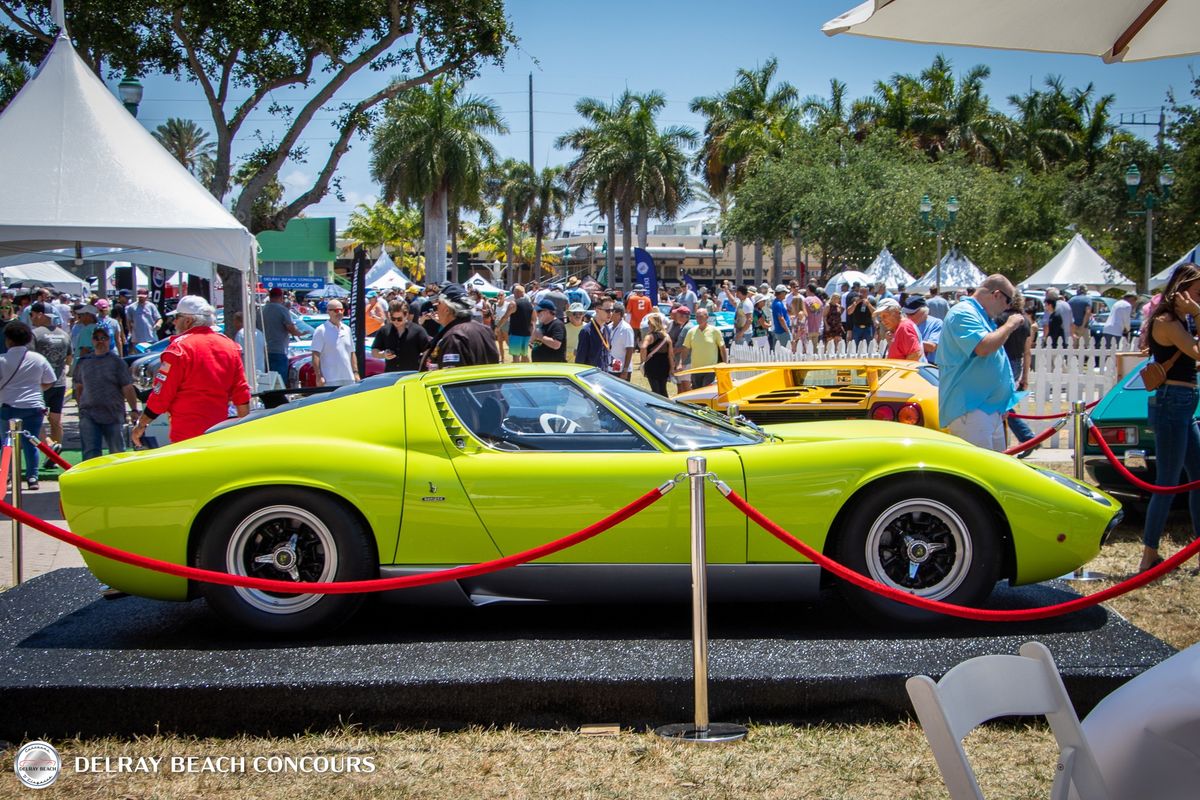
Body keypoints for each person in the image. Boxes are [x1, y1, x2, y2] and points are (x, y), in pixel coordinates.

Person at [1138, 265, 1200, 573]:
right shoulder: (1167, 321)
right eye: (1198, 292)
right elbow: (1198, 351)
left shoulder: (1180, 320)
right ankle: (1149, 555)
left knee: (1198, 477)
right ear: (1182, 290)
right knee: (1167, 482)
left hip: (1182, 404)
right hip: (1173, 404)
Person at [132, 296, 250, 446]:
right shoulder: (230, 346)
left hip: (187, 437)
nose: (174, 322)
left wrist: (141, 425)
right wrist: (244, 430)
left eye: (177, 317)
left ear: (188, 321)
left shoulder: (179, 349)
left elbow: (161, 395)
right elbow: (241, 393)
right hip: (220, 434)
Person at [937, 275, 1024, 451]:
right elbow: (983, 347)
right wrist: (1009, 326)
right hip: (970, 409)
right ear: (997, 295)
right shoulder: (963, 313)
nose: (1007, 308)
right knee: (978, 473)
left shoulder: (981, 316)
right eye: (1008, 301)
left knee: (996, 470)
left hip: (986, 409)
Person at [0, 322, 56, 489]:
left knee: (6, 443)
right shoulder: (38, 359)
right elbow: (50, 381)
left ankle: (7, 477)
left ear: (8, 340)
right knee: (31, 443)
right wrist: (36, 388)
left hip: (6, 406)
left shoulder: (2, 360)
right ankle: (32, 477)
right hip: (33, 406)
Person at [73, 326, 139, 461]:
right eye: (96, 338)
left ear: (109, 340)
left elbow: (127, 388)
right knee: (90, 454)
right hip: (89, 414)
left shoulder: (117, 362)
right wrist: (80, 406)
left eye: (104, 338)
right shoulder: (83, 362)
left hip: (113, 414)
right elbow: (79, 387)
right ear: (92, 340)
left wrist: (133, 409)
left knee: (117, 453)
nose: (100, 341)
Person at [418, 283, 500, 370]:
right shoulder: (485, 330)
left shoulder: (454, 337)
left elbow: (450, 377)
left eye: (438, 303)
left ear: (447, 309)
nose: (436, 308)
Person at [30, 302, 71, 454]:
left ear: (40, 315)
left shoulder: (35, 334)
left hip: (41, 384)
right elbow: (69, 359)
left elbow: (30, 358)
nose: (31, 318)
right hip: (59, 382)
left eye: (32, 315)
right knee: (56, 420)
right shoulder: (64, 334)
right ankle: (54, 456)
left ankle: (49, 446)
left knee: (36, 419)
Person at [999, 293, 1036, 455]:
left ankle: (1027, 437)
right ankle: (1026, 437)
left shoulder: (1000, 319)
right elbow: (1027, 351)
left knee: (1001, 404)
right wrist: (1025, 377)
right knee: (1003, 403)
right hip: (1017, 363)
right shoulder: (1025, 322)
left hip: (1002, 363)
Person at [372, 300, 431, 372]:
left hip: (411, 375)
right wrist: (383, 355)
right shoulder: (384, 330)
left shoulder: (418, 331)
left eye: (399, 319)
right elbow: (374, 351)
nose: (396, 321)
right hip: (391, 375)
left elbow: (428, 351)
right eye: (393, 319)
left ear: (406, 315)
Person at [310, 300, 358, 387]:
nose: (339, 312)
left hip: (349, 378)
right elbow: (315, 354)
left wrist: (355, 372)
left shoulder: (347, 329)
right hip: (330, 379)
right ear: (328, 311)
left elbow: (352, 352)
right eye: (336, 310)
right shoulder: (321, 330)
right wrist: (318, 376)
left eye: (341, 310)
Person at [681, 307, 726, 390]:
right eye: (697, 317)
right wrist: (681, 363)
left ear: (707, 317)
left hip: (710, 370)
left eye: (701, 316)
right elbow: (686, 348)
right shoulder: (691, 332)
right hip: (696, 369)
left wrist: (725, 363)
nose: (698, 319)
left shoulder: (715, 331)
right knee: (696, 392)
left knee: (706, 390)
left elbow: (722, 348)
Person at [261, 286, 301, 378]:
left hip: (265, 350)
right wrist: (301, 333)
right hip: (279, 350)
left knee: (268, 381)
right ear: (281, 297)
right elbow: (291, 328)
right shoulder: (282, 310)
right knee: (280, 381)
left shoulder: (262, 310)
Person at [639, 312, 674, 396]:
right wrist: (672, 367)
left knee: (655, 390)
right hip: (664, 364)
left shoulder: (649, 336)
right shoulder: (667, 336)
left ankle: (658, 407)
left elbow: (643, 347)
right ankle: (667, 406)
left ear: (652, 324)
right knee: (663, 389)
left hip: (652, 364)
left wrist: (643, 361)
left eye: (649, 323)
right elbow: (670, 355)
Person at [902, 296, 943, 364]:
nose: (908, 316)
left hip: (929, 366)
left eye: (911, 314)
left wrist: (906, 341)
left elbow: (931, 347)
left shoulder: (936, 323)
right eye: (906, 314)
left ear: (923, 311)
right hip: (908, 364)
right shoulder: (904, 323)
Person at [575, 299, 612, 370]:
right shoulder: (586, 331)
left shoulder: (606, 329)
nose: (610, 313)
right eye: (607, 310)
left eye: (612, 310)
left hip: (604, 375)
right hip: (590, 377)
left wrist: (613, 361)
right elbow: (580, 360)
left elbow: (605, 352)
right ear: (597, 310)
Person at [605, 303, 636, 379]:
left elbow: (630, 350)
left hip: (621, 369)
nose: (608, 313)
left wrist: (625, 370)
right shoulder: (608, 327)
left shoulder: (626, 329)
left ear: (618, 314)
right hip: (609, 367)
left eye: (611, 311)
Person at [507, 284, 534, 363]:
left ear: (518, 293)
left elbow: (505, 316)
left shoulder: (513, 303)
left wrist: (498, 327)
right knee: (524, 354)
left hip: (516, 333)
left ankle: (517, 373)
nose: (514, 294)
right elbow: (533, 321)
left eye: (515, 293)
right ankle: (528, 370)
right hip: (526, 333)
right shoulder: (530, 305)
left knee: (516, 356)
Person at [770, 285, 792, 351]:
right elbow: (781, 318)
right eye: (785, 293)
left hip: (780, 330)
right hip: (782, 331)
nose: (786, 294)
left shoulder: (777, 302)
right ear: (781, 293)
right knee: (785, 350)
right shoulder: (778, 304)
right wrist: (787, 330)